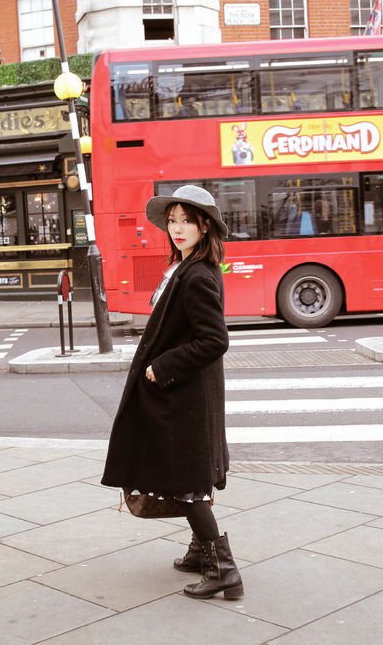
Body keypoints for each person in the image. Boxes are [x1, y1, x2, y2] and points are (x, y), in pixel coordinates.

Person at [101, 185, 243, 600]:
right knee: (184, 475)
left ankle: (224, 570)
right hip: (183, 394)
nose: (177, 228)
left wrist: (159, 369)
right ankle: (203, 552)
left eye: (187, 220)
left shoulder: (197, 274)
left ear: (205, 226)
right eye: (172, 220)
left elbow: (215, 340)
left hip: (184, 396)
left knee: (187, 481)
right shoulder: (186, 266)